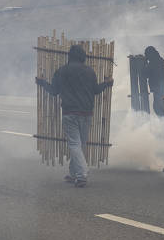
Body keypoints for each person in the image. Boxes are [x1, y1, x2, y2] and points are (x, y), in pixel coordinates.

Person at [36, 45, 113, 187]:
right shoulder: (90, 72)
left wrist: (42, 83)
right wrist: (106, 84)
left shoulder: (62, 71)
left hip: (70, 113)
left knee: (74, 144)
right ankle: (73, 173)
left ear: (69, 57)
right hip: (87, 113)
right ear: (83, 57)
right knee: (80, 144)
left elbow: (54, 91)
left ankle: (82, 174)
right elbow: (96, 90)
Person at [144, 46, 164, 117]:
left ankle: (163, 122)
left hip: (159, 87)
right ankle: (163, 122)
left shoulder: (153, 62)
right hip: (160, 86)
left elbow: (146, 74)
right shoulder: (159, 60)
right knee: (158, 107)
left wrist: (145, 64)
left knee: (158, 107)